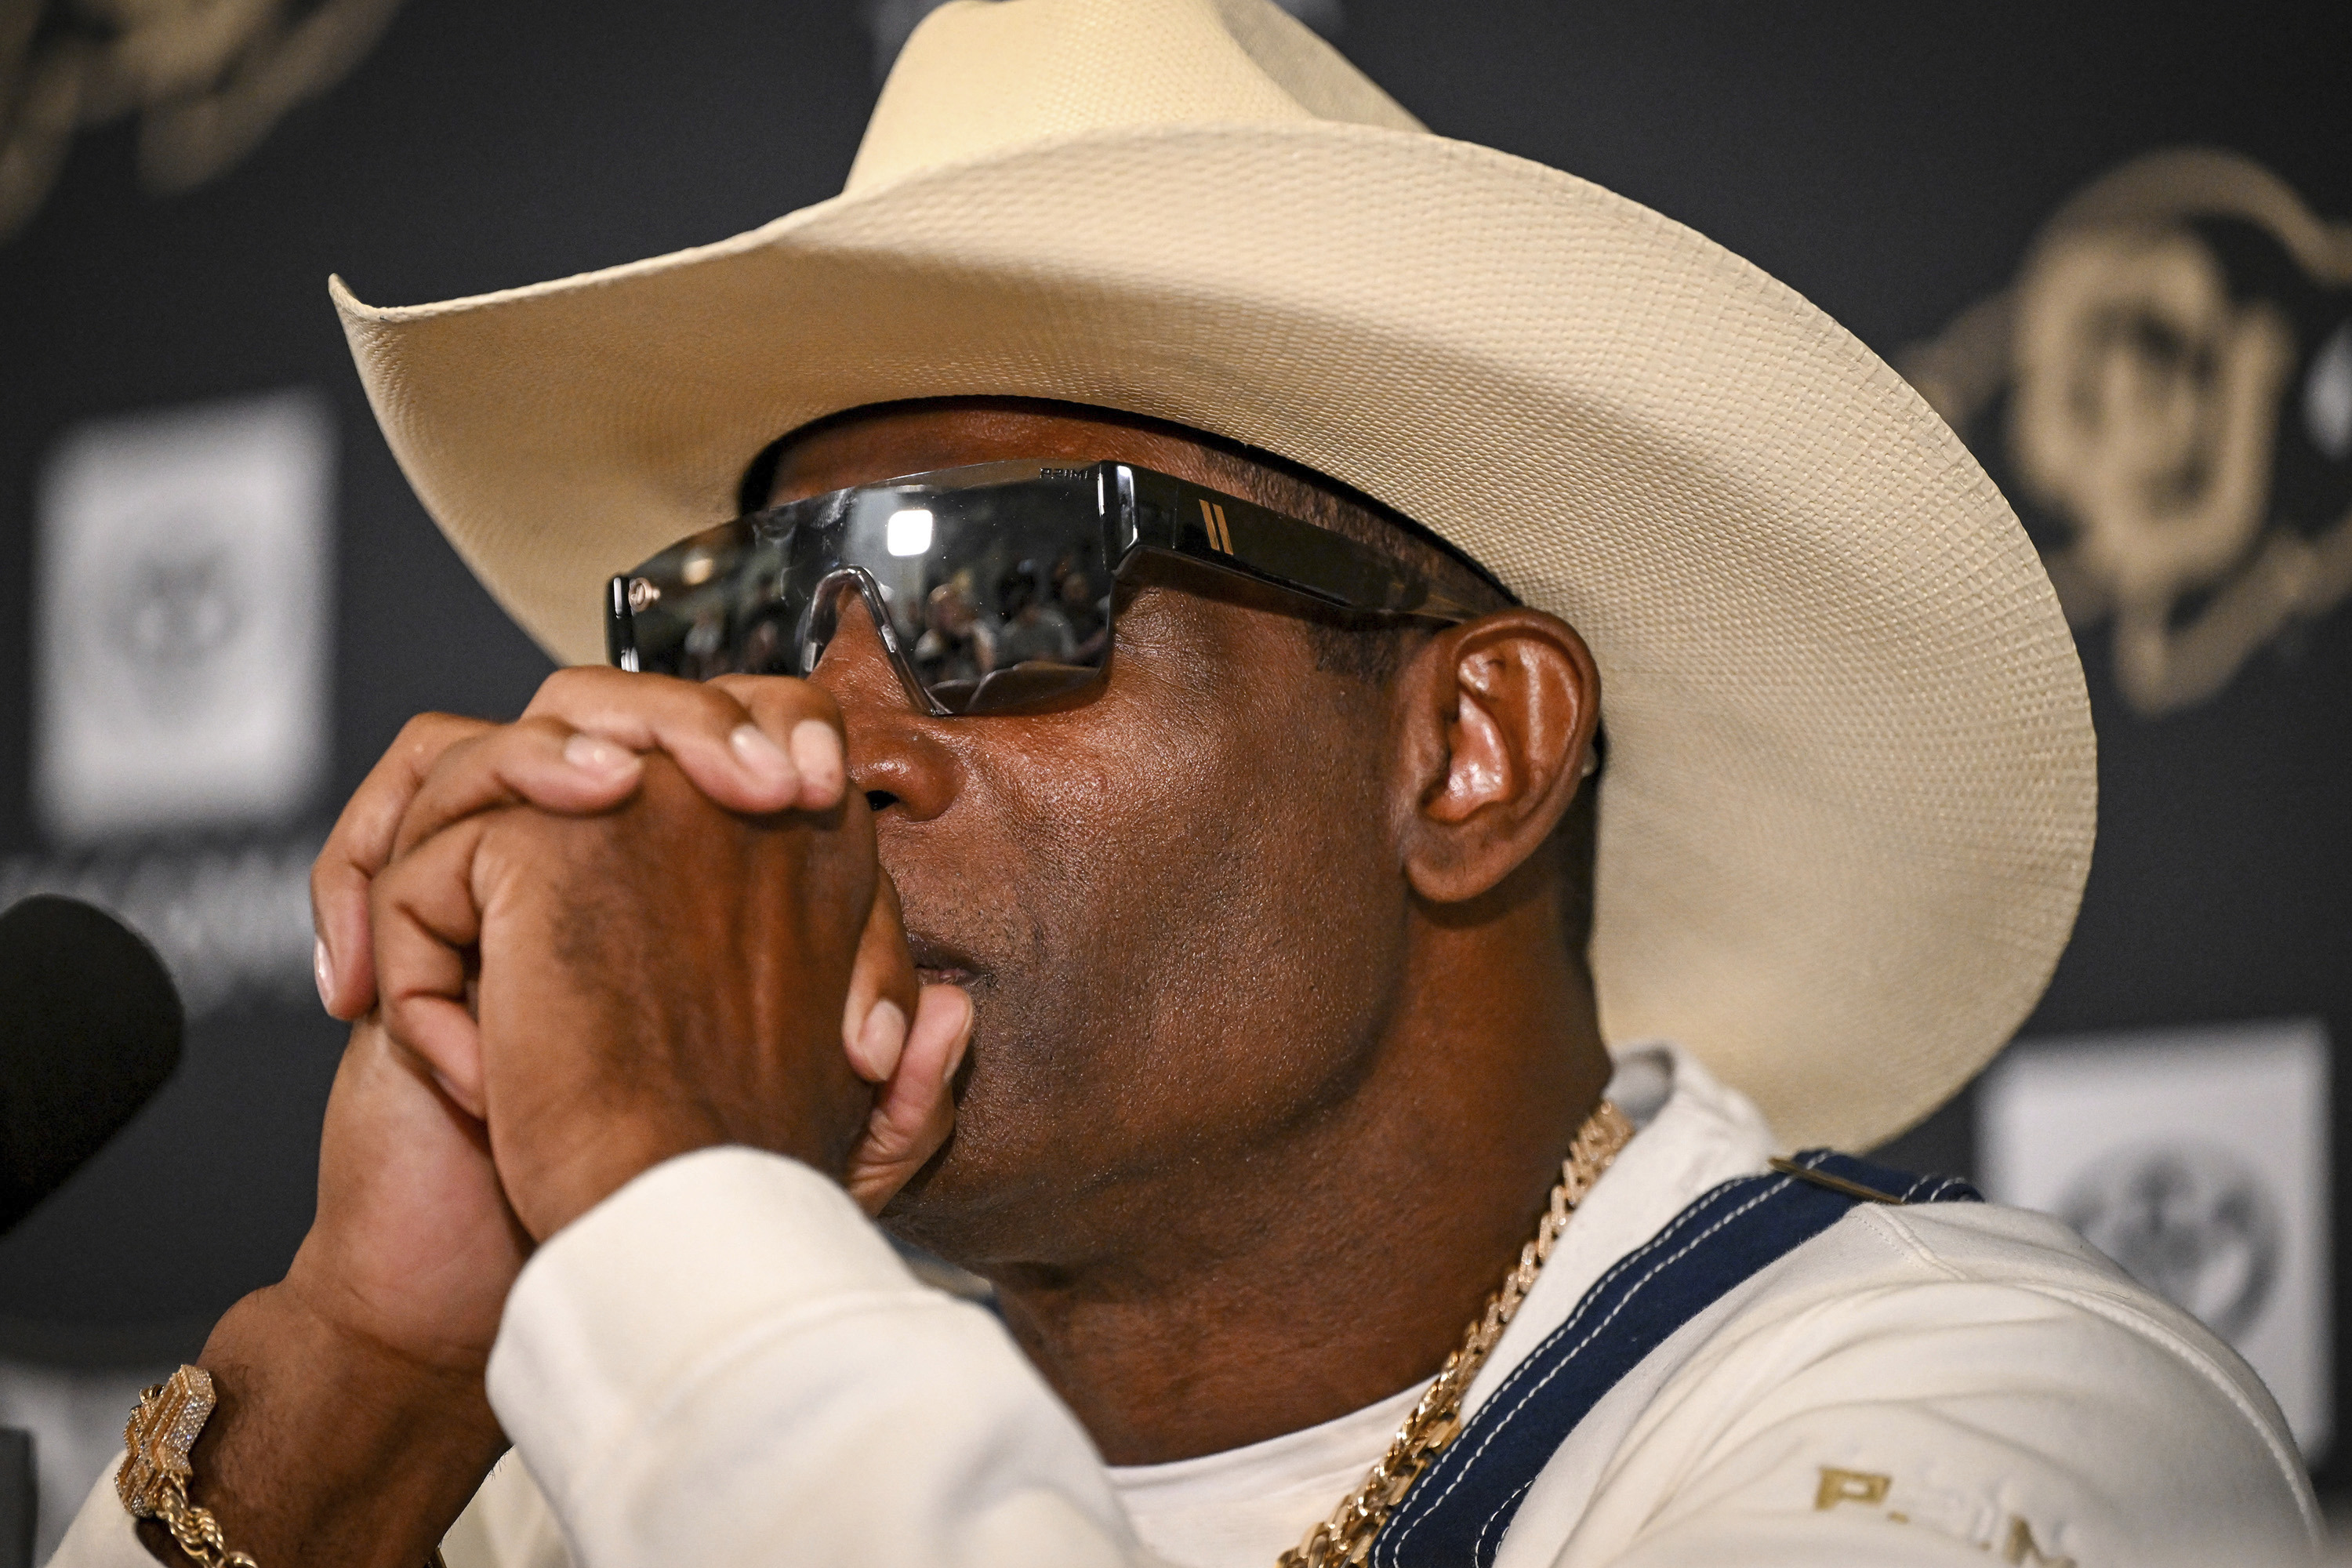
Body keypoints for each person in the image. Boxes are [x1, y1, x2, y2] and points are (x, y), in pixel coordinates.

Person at [53, 2, 2320, 1566]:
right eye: (747, 613)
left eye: (999, 587)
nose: (814, 734)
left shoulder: (1991, 1421)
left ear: (1468, 752)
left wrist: (664, 1213)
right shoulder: (601, 1417)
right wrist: (374, 1364)